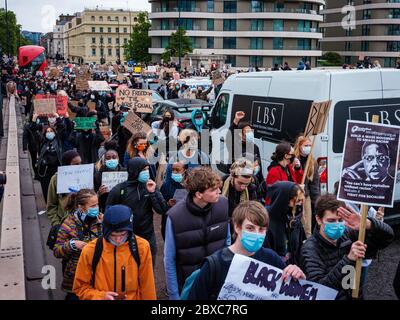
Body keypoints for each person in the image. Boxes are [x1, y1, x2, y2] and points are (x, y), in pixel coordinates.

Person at [189, 201, 306, 300]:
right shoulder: (215, 264)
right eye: (250, 228)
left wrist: (297, 277)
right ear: (237, 227)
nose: (256, 234)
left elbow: (290, 293)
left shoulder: (271, 258)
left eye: (261, 229)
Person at [300, 194, 394, 300]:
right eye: (331, 221)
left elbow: (387, 238)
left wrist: (368, 224)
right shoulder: (310, 249)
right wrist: (348, 259)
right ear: (318, 219)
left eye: (340, 220)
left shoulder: (348, 234)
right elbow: (318, 291)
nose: (337, 224)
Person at [164, 166, 231, 300]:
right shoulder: (175, 216)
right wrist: (174, 295)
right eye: (213, 189)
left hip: (217, 281)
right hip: (189, 284)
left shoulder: (223, 204)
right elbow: (169, 259)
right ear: (199, 194)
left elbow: (227, 242)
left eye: (219, 187)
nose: (219, 192)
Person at [73, 205, 156, 300]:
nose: (118, 240)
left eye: (123, 234)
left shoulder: (142, 247)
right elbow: (80, 288)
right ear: (105, 231)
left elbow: (147, 287)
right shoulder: (90, 250)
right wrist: (101, 297)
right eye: (113, 235)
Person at [106, 157, 168, 262]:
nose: (146, 172)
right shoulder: (119, 189)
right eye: (143, 170)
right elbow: (108, 212)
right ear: (134, 170)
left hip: (148, 236)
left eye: (147, 169)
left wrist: (152, 192)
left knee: (147, 269)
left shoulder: (150, 186)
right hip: (127, 238)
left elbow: (162, 210)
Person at [53, 189, 102, 300]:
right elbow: (57, 251)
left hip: (99, 275)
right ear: (81, 207)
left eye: (97, 204)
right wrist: (72, 245)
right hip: (76, 277)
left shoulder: (101, 219)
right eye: (93, 205)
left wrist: (106, 225)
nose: (96, 208)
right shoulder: (69, 223)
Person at [266, 181, 306, 264]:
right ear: (284, 200)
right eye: (297, 200)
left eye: (301, 201)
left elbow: (300, 247)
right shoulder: (266, 221)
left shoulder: (294, 219)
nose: (300, 204)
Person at [47, 150, 82, 227]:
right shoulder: (56, 179)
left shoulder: (85, 177)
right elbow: (51, 205)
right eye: (76, 164)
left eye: (80, 163)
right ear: (66, 165)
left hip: (83, 223)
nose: (79, 166)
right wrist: (56, 224)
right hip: (64, 224)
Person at [294, 136, 320, 237]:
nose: (308, 147)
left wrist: (316, 202)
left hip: (306, 196)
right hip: (294, 195)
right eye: (306, 145)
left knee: (307, 225)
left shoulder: (312, 162)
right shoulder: (294, 160)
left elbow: (315, 184)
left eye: (310, 145)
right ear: (299, 146)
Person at [160, 161, 188, 240]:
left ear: (184, 171)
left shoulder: (191, 185)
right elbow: (160, 206)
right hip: (170, 221)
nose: (174, 172)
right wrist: (167, 204)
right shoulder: (166, 186)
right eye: (173, 170)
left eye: (177, 170)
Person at [94, 147, 125, 214]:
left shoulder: (125, 173)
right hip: (105, 205)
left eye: (114, 157)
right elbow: (93, 193)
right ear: (104, 160)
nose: (111, 160)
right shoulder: (98, 175)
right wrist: (98, 193)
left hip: (122, 205)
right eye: (108, 158)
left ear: (118, 158)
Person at [37, 126, 63, 201]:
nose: (49, 133)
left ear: (55, 133)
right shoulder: (42, 142)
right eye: (47, 132)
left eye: (51, 131)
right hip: (45, 171)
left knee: (56, 189)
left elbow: (62, 128)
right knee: (46, 189)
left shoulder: (58, 141)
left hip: (56, 170)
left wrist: (58, 118)